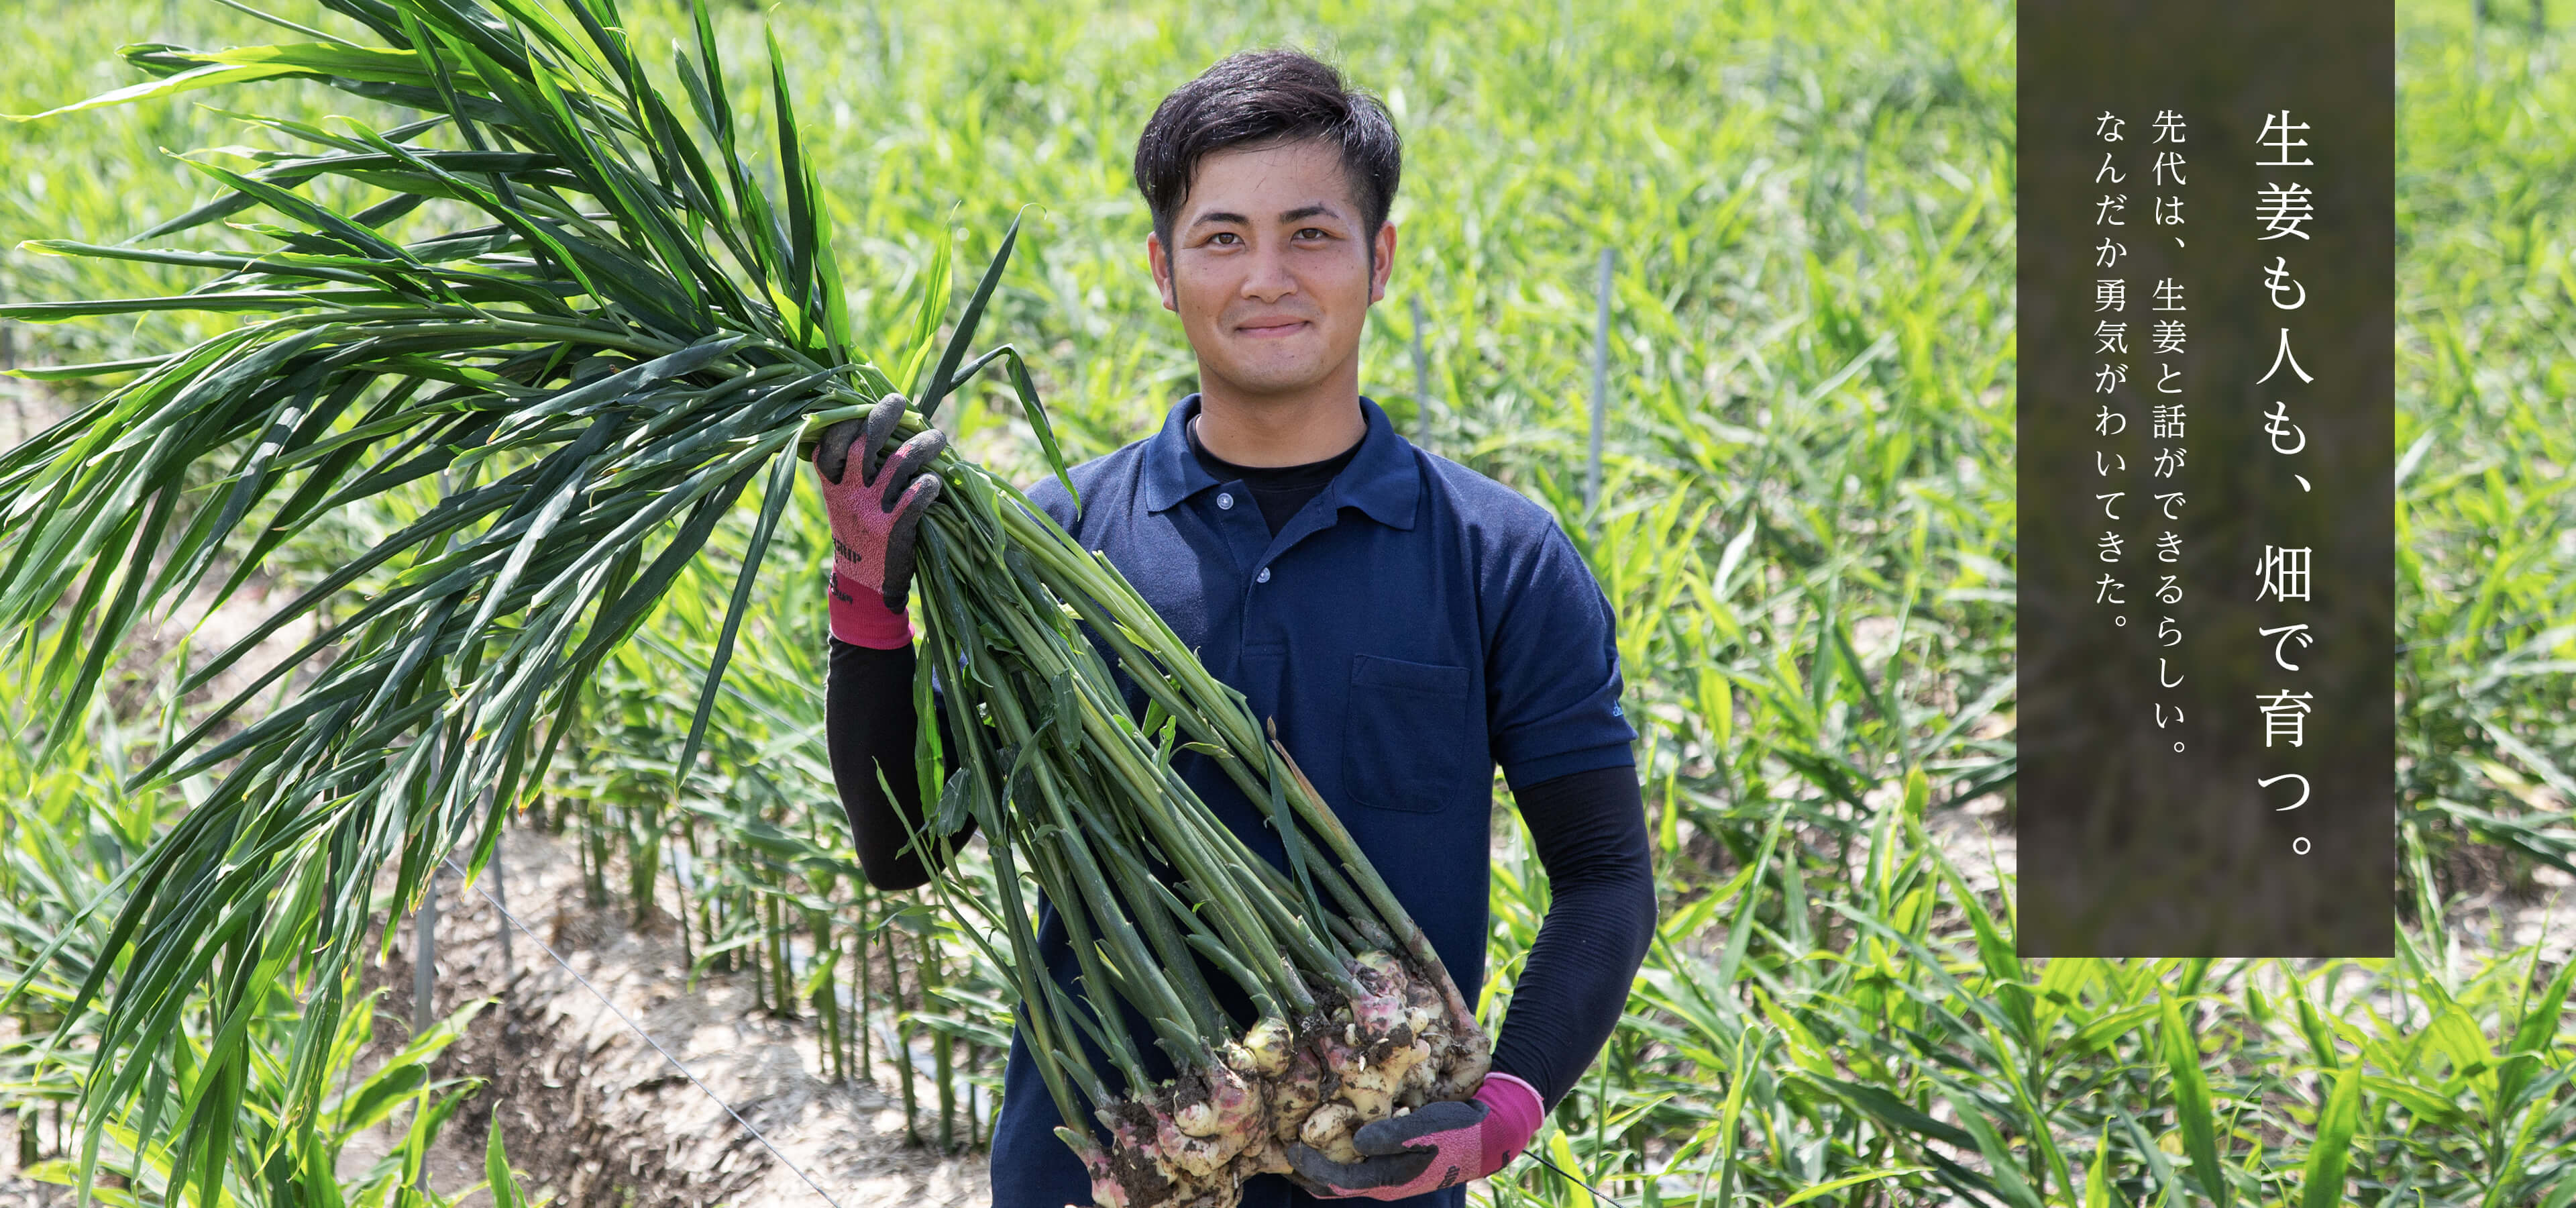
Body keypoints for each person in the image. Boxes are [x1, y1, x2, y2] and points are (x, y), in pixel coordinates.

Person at [811, 48, 1656, 1208]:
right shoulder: (1054, 549)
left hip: (1372, 1172)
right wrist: (867, 604)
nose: (1268, 277)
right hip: (1103, 1174)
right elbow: (902, 852)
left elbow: (1605, 877)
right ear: (1163, 270)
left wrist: (1510, 1106)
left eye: (1311, 234)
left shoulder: (1497, 554)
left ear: (1381, 258)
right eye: (1222, 238)